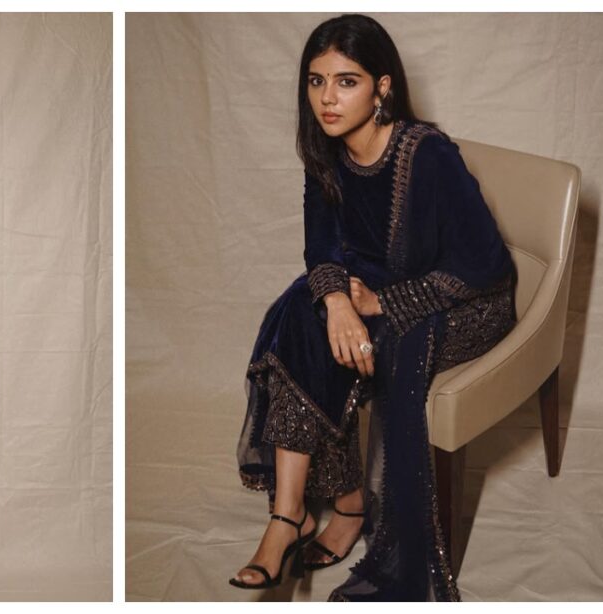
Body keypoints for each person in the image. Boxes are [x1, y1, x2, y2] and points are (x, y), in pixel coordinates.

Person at [229, 14, 516, 601]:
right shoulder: (326, 152)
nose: (327, 99)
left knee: (362, 338)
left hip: (466, 305)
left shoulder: (429, 155)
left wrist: (383, 300)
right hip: (373, 291)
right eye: (316, 81)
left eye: (346, 81)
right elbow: (321, 248)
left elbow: (488, 265)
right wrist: (338, 300)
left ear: (382, 86)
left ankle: (355, 511)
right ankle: (291, 516)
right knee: (302, 314)